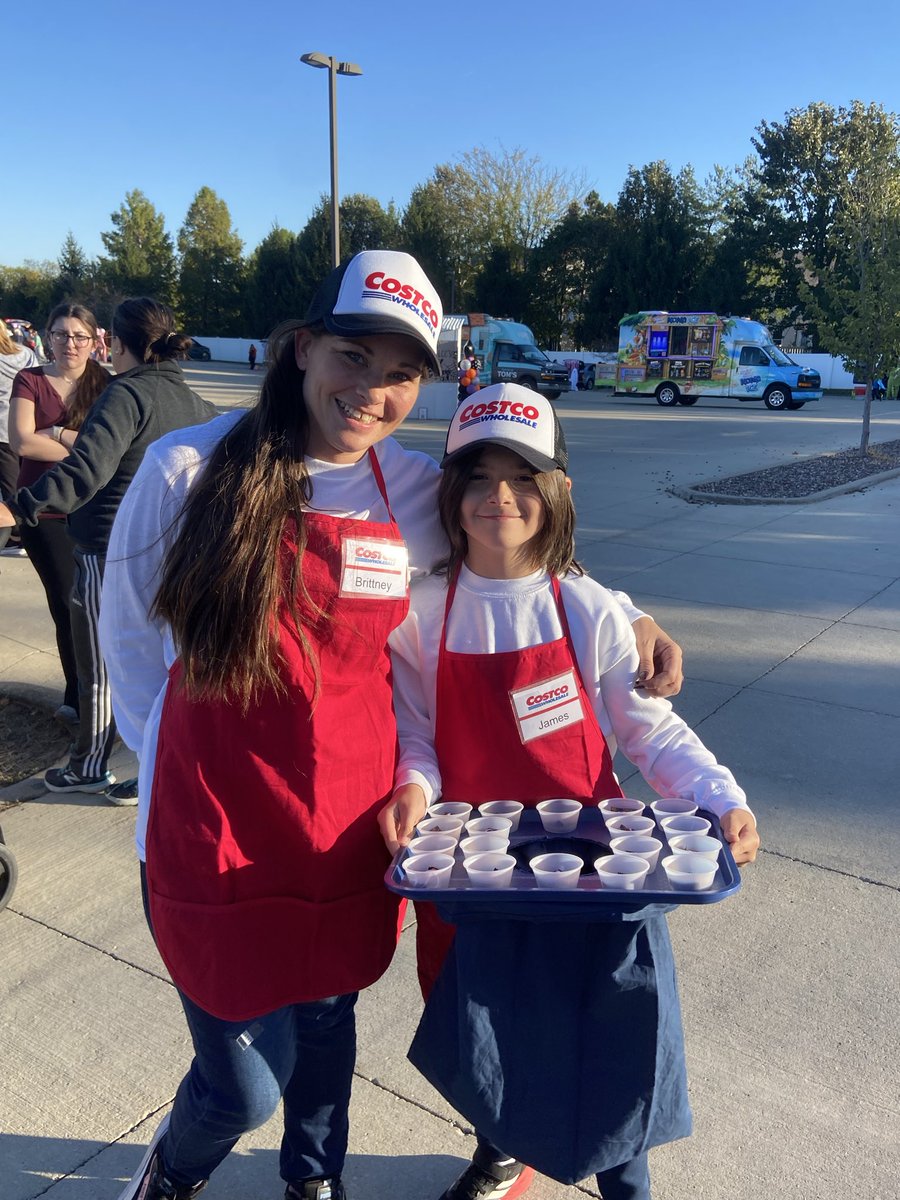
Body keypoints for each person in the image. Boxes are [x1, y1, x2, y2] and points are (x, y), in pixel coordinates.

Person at [97, 251, 683, 1200]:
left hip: (343, 830)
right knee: (240, 1083)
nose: (371, 389)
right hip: (215, 830)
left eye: (399, 370)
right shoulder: (189, 468)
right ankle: (172, 1168)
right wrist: (180, 763)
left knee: (328, 1030)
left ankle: (312, 1182)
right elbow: (127, 638)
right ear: (301, 350)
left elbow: (515, 554)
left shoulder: (412, 488)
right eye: (353, 356)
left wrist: (629, 611)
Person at [380, 383, 760, 1200]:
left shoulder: (587, 610)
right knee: (488, 1039)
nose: (499, 499)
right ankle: (500, 1148)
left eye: (523, 477)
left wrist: (718, 795)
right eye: (477, 478)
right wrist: (414, 785)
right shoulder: (419, 616)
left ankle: (628, 1181)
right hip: (471, 886)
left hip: (589, 882)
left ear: (557, 493)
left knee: (605, 1044)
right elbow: (418, 732)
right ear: (452, 492)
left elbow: (649, 731)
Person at [0, 299, 217, 799]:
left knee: (99, 664)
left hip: (109, 547)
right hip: (174, 551)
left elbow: (86, 470)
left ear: (116, 344)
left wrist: (21, 508)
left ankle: (90, 765)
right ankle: (160, 766)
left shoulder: (126, 394)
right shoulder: (192, 400)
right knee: (166, 665)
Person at [7, 304, 110, 726]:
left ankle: (98, 693)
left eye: (79, 336)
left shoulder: (106, 383)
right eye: (62, 334)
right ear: (47, 337)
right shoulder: (29, 378)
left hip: (94, 507)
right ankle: (78, 697)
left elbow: (112, 445)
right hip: (44, 512)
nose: (70, 343)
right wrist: (84, 449)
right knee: (67, 603)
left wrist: (61, 434)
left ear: (94, 340)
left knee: (100, 608)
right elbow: (23, 443)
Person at [0, 320, 37, 521]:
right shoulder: (25, 354)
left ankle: (16, 530)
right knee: (19, 480)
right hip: (24, 424)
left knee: (9, 486)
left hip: (1, 426)